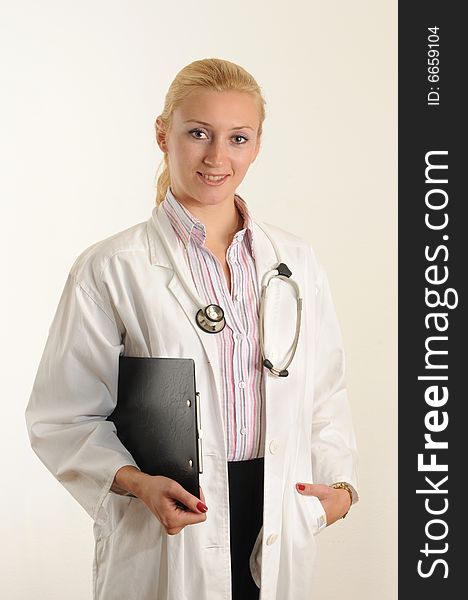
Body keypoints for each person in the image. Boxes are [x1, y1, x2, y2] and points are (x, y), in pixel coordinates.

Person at [25, 57, 359, 600]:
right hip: (174, 513)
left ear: (257, 146)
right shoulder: (112, 267)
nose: (216, 157)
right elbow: (63, 416)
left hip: (277, 506)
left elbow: (326, 392)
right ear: (163, 134)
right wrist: (137, 485)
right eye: (198, 133)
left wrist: (341, 490)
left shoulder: (295, 262)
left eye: (238, 138)